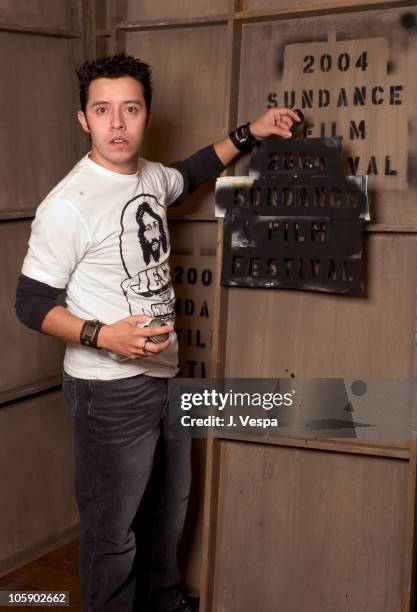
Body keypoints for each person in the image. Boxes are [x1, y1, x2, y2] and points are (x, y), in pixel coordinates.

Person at [15, 53, 300, 612]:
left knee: (169, 512)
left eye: (130, 109)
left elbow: (191, 172)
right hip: (107, 389)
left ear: (146, 114)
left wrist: (251, 131)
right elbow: (29, 305)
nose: (117, 124)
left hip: (165, 375)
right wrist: (103, 336)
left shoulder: (147, 176)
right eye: (103, 110)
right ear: (84, 120)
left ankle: (165, 604)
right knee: (113, 536)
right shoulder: (68, 205)